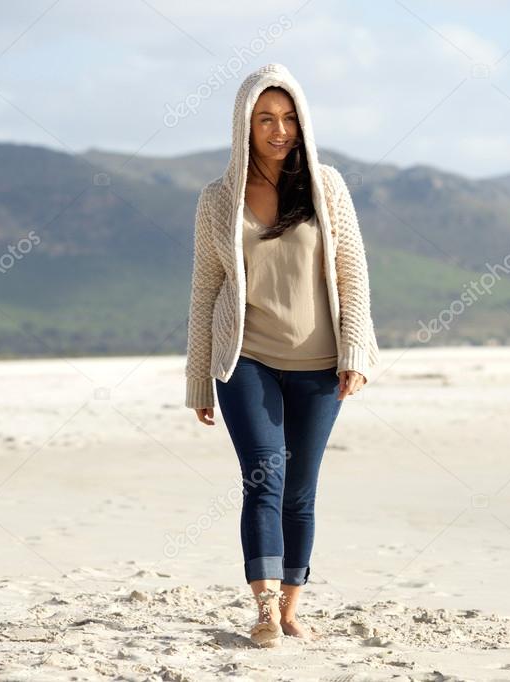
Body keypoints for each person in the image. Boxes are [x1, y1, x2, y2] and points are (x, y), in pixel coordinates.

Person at [183, 63, 381, 647]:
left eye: (289, 118)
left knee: (301, 488)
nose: (279, 130)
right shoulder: (218, 199)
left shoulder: (327, 185)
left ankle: (293, 606)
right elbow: (204, 290)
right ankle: (265, 607)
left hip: (320, 366)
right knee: (263, 478)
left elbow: (352, 272)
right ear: (244, 125)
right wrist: (199, 379)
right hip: (247, 360)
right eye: (265, 119)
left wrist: (355, 350)